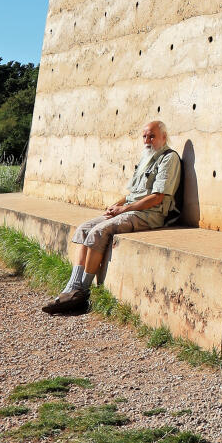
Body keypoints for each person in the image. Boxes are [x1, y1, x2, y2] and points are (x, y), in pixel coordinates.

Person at [42, 118, 181, 316]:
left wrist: (124, 209)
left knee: (99, 232)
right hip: (130, 209)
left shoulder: (169, 158)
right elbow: (132, 192)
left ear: (164, 137)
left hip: (149, 214)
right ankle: (70, 288)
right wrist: (116, 205)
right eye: (145, 136)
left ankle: (82, 292)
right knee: (84, 228)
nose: (147, 140)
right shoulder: (146, 158)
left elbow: (157, 198)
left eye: (152, 136)